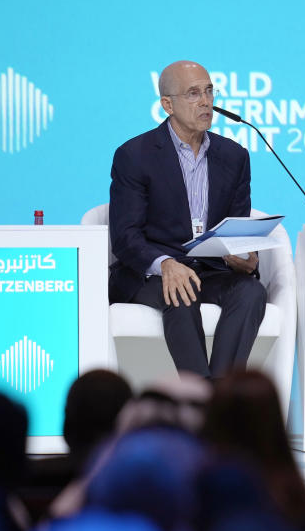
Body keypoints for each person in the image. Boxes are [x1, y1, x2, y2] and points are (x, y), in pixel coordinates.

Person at [109, 60, 267, 379]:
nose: (206, 101)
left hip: (210, 270)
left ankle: (220, 397)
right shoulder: (135, 155)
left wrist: (246, 257)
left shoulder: (234, 156)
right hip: (150, 274)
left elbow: (237, 227)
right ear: (168, 104)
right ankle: (201, 402)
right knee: (180, 292)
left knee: (251, 292)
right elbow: (126, 237)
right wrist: (165, 263)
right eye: (194, 93)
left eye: (209, 91)